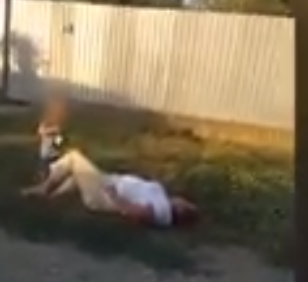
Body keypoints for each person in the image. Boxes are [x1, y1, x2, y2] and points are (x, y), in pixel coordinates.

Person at [20, 149, 198, 227]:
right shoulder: (163, 201)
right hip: (109, 182)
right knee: (77, 175)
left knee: (74, 157)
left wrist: (114, 196)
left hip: (104, 195)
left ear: (180, 209)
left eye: (186, 203)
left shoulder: (162, 209)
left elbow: (134, 213)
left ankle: (44, 189)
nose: (183, 199)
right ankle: (49, 198)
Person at [35, 96, 68, 180]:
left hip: (54, 151)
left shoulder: (58, 123)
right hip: (46, 151)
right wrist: (50, 131)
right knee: (44, 164)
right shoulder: (46, 121)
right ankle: (43, 176)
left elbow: (59, 135)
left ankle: (51, 176)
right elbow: (41, 131)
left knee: (54, 164)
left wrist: (58, 139)